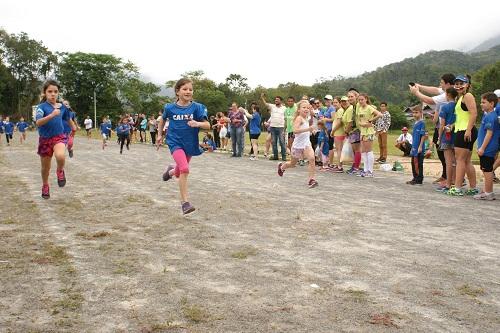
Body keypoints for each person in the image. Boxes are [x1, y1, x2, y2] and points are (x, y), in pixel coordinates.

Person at [156, 78, 210, 215]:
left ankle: (170, 172)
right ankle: (185, 203)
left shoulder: (197, 107)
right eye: (185, 89)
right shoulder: (169, 108)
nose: (188, 91)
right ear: (177, 91)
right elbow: (162, 120)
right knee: (185, 168)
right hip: (175, 142)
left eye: (190, 89)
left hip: (190, 144)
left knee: (179, 171)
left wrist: (197, 124)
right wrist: (159, 135)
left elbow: (207, 125)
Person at [410, 74, 455, 184]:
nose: (440, 85)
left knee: (448, 155)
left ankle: (452, 178)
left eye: (442, 82)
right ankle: (447, 176)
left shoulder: (448, 95)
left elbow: (429, 100)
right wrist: (419, 86)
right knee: (442, 153)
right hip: (440, 126)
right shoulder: (445, 92)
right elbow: (434, 90)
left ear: (448, 84)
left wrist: (416, 92)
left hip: (447, 128)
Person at [35, 80, 76, 199]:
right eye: (50, 91)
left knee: (60, 156)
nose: (53, 94)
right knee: (45, 168)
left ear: (58, 93)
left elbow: (68, 118)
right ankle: (45, 185)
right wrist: (52, 115)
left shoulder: (62, 107)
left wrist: (73, 127)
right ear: (44, 93)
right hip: (45, 140)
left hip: (59, 137)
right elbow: (38, 122)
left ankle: (60, 171)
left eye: (55, 92)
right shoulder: (41, 107)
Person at [446, 75, 478, 196]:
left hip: (465, 131)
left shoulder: (468, 96)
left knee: (459, 160)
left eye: (461, 83)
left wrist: (468, 130)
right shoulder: (460, 98)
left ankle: (457, 188)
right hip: (461, 129)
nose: (458, 85)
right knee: (466, 160)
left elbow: (474, 114)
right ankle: (473, 188)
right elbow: (463, 116)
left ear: (467, 84)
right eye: (457, 83)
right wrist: (452, 125)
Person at [277, 100, 318, 188]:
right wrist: (308, 129)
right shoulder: (299, 118)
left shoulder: (306, 118)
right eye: (304, 107)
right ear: (299, 110)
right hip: (297, 145)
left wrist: (312, 130)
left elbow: (307, 129)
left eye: (307, 108)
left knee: (312, 158)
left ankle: (311, 179)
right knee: (292, 164)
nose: (306, 109)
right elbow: (295, 131)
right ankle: (282, 167)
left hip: (306, 144)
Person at [473, 92, 499, 200]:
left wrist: (482, 148)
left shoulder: (490, 117)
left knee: (487, 170)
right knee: (486, 170)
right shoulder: (489, 115)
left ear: (492, 104)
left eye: (484, 102)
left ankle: (488, 192)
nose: (481, 104)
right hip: (488, 148)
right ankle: (487, 191)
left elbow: (489, 133)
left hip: (487, 149)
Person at [435, 88, 458, 192]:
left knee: (448, 161)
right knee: (456, 161)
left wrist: (439, 137)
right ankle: (455, 182)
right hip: (457, 136)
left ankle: (448, 184)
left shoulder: (444, 107)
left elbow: (442, 124)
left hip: (447, 136)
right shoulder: (458, 106)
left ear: (448, 95)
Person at [356, 94, 382, 177]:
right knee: (363, 151)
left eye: (362, 99)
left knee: (368, 150)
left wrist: (370, 121)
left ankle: (370, 171)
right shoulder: (359, 108)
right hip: (363, 132)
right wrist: (361, 123)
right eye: (359, 100)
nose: (360, 101)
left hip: (369, 131)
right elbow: (359, 120)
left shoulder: (369, 107)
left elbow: (379, 114)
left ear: (366, 99)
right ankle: (365, 170)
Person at [261, 93, 286, 161]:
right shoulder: (272, 106)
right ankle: (275, 156)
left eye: (277, 100)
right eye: (275, 100)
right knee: (273, 142)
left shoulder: (284, 108)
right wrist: (262, 98)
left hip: (281, 127)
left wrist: (285, 128)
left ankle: (284, 157)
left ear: (281, 101)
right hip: (273, 127)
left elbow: (286, 118)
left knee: (282, 142)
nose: (276, 101)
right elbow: (266, 104)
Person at [406, 106, 427, 185]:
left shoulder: (422, 123)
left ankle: (419, 179)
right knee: (413, 162)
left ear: (421, 113)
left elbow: (423, 136)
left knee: (418, 163)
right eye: (413, 113)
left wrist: (420, 146)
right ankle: (415, 177)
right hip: (414, 146)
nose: (414, 114)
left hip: (419, 147)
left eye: (416, 112)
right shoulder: (415, 123)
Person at [330, 96, 348, 173]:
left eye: (336, 102)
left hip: (339, 133)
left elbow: (339, 123)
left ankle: (340, 166)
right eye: (333, 102)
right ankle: (338, 165)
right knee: (338, 149)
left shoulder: (340, 110)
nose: (334, 104)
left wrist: (333, 131)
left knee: (339, 150)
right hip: (337, 133)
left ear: (340, 103)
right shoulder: (337, 110)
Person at [319, 95, 336, 167]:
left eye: (328, 100)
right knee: (327, 146)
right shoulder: (326, 108)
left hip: (330, 129)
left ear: (331, 101)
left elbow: (333, 119)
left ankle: (331, 163)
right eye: (326, 100)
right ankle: (327, 162)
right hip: (326, 129)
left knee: (330, 146)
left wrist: (325, 119)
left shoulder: (332, 108)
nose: (327, 101)